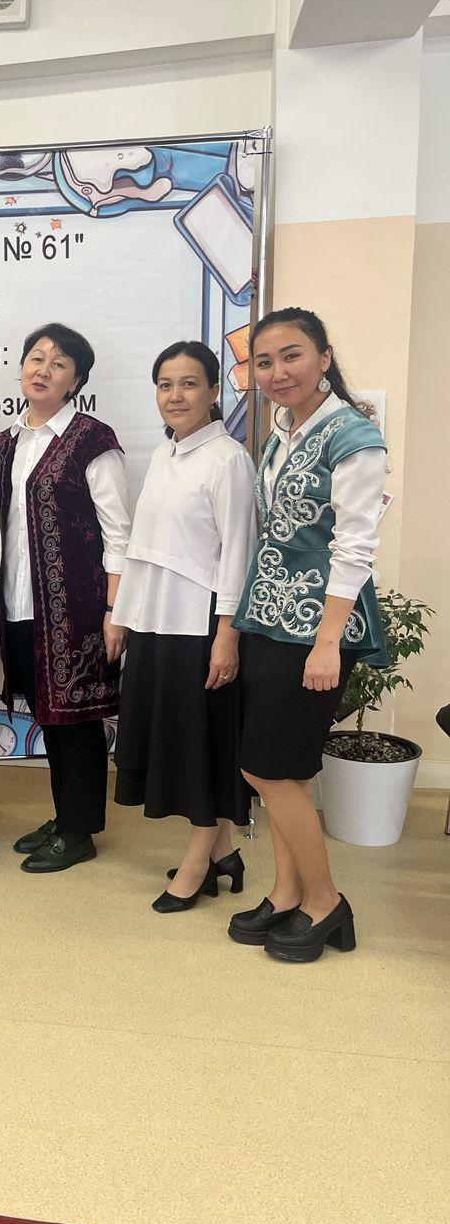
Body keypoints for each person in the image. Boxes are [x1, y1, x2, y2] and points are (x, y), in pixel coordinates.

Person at [230, 307, 387, 962]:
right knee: (275, 768)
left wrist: (327, 642)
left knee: (271, 768)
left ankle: (326, 904)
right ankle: (287, 892)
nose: (277, 372)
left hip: (317, 630)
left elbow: (355, 547)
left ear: (323, 358)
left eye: (291, 355)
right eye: (264, 362)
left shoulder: (354, 436)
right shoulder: (284, 431)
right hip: (269, 619)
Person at [111, 341, 257, 911]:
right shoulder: (163, 454)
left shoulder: (228, 459)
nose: (175, 395)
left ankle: (198, 863)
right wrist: (124, 618)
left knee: (201, 745)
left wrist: (227, 636)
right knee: (176, 739)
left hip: (200, 626)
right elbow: (144, 548)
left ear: (215, 391)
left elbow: (238, 553)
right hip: (156, 622)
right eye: (166, 384)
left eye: (189, 383)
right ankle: (224, 854)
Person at [0, 323, 130, 873]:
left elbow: (118, 533)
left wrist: (115, 611)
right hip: (21, 607)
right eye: (36, 358)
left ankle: (79, 830)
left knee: (77, 721)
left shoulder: (93, 440)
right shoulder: (4, 444)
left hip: (80, 612)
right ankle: (64, 814)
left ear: (76, 381)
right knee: (50, 716)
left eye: (59, 363)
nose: (43, 369)